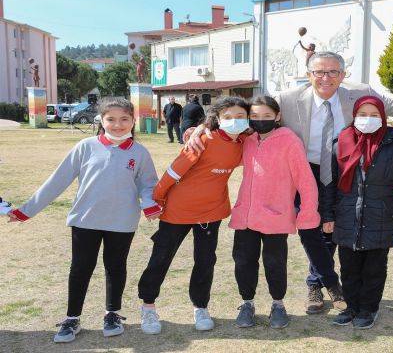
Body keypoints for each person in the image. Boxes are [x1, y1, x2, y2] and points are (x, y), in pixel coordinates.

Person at [186, 51, 393, 314]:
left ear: (342, 75)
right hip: (306, 170)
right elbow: (244, 114)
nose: (325, 78)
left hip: (345, 170)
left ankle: (333, 282)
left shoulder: (359, 93)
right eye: (319, 72)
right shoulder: (287, 99)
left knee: (338, 226)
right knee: (312, 231)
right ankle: (317, 284)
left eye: (333, 72)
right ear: (308, 75)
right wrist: (203, 126)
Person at [7, 97, 161, 343]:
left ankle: (112, 313)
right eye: (111, 119)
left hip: (122, 222)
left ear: (133, 121)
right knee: (80, 268)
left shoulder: (140, 152)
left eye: (124, 119)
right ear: (101, 120)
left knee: (115, 267)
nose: (118, 125)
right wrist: (27, 210)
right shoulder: (86, 146)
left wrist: (150, 204)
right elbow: (57, 181)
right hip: (85, 220)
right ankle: (72, 318)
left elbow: (148, 184)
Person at [137, 97, 250, 335]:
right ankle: (148, 306)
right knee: (161, 258)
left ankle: (201, 306)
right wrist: (156, 199)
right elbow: (175, 169)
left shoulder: (244, 142)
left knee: (205, 261)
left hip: (211, 212)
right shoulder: (205, 139)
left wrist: (197, 128)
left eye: (240, 117)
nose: (234, 122)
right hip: (178, 210)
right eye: (228, 117)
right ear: (217, 119)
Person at [322, 95, 393, 329]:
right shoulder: (340, 142)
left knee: (374, 269)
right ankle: (352, 307)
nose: (368, 119)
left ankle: (368, 309)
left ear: (383, 117)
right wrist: (328, 215)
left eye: (374, 115)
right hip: (346, 216)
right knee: (349, 267)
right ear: (354, 116)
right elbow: (330, 184)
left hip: (381, 216)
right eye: (362, 114)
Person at [229, 96, 320, 329]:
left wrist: (308, 212)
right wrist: (197, 130)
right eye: (255, 116)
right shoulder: (247, 139)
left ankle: (278, 304)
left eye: (267, 116)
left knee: (275, 262)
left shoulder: (289, 140)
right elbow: (222, 146)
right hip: (245, 215)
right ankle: (247, 303)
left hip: (276, 215)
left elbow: (305, 179)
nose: (260, 121)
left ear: (277, 116)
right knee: (243, 261)